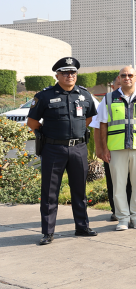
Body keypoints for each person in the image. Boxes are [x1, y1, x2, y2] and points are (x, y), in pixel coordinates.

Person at [27, 57, 98, 246]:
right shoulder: (44, 96)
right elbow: (32, 123)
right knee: (50, 192)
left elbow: (88, 118)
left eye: (73, 72)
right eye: (65, 73)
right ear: (57, 75)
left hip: (78, 148)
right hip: (53, 149)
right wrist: (50, 137)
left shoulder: (84, 95)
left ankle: (82, 227)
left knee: (79, 190)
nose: (69, 76)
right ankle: (48, 232)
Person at [96, 66, 136, 231]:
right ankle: (122, 219)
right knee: (118, 185)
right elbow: (103, 124)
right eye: (123, 75)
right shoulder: (108, 98)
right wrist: (105, 149)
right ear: (119, 79)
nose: (127, 77)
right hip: (116, 148)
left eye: (130, 75)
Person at [98, 76, 131, 222]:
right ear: (113, 87)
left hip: (132, 148)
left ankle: (130, 211)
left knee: (131, 181)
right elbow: (97, 127)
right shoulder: (107, 100)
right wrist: (100, 149)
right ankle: (116, 210)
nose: (121, 88)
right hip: (113, 149)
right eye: (118, 85)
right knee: (114, 182)